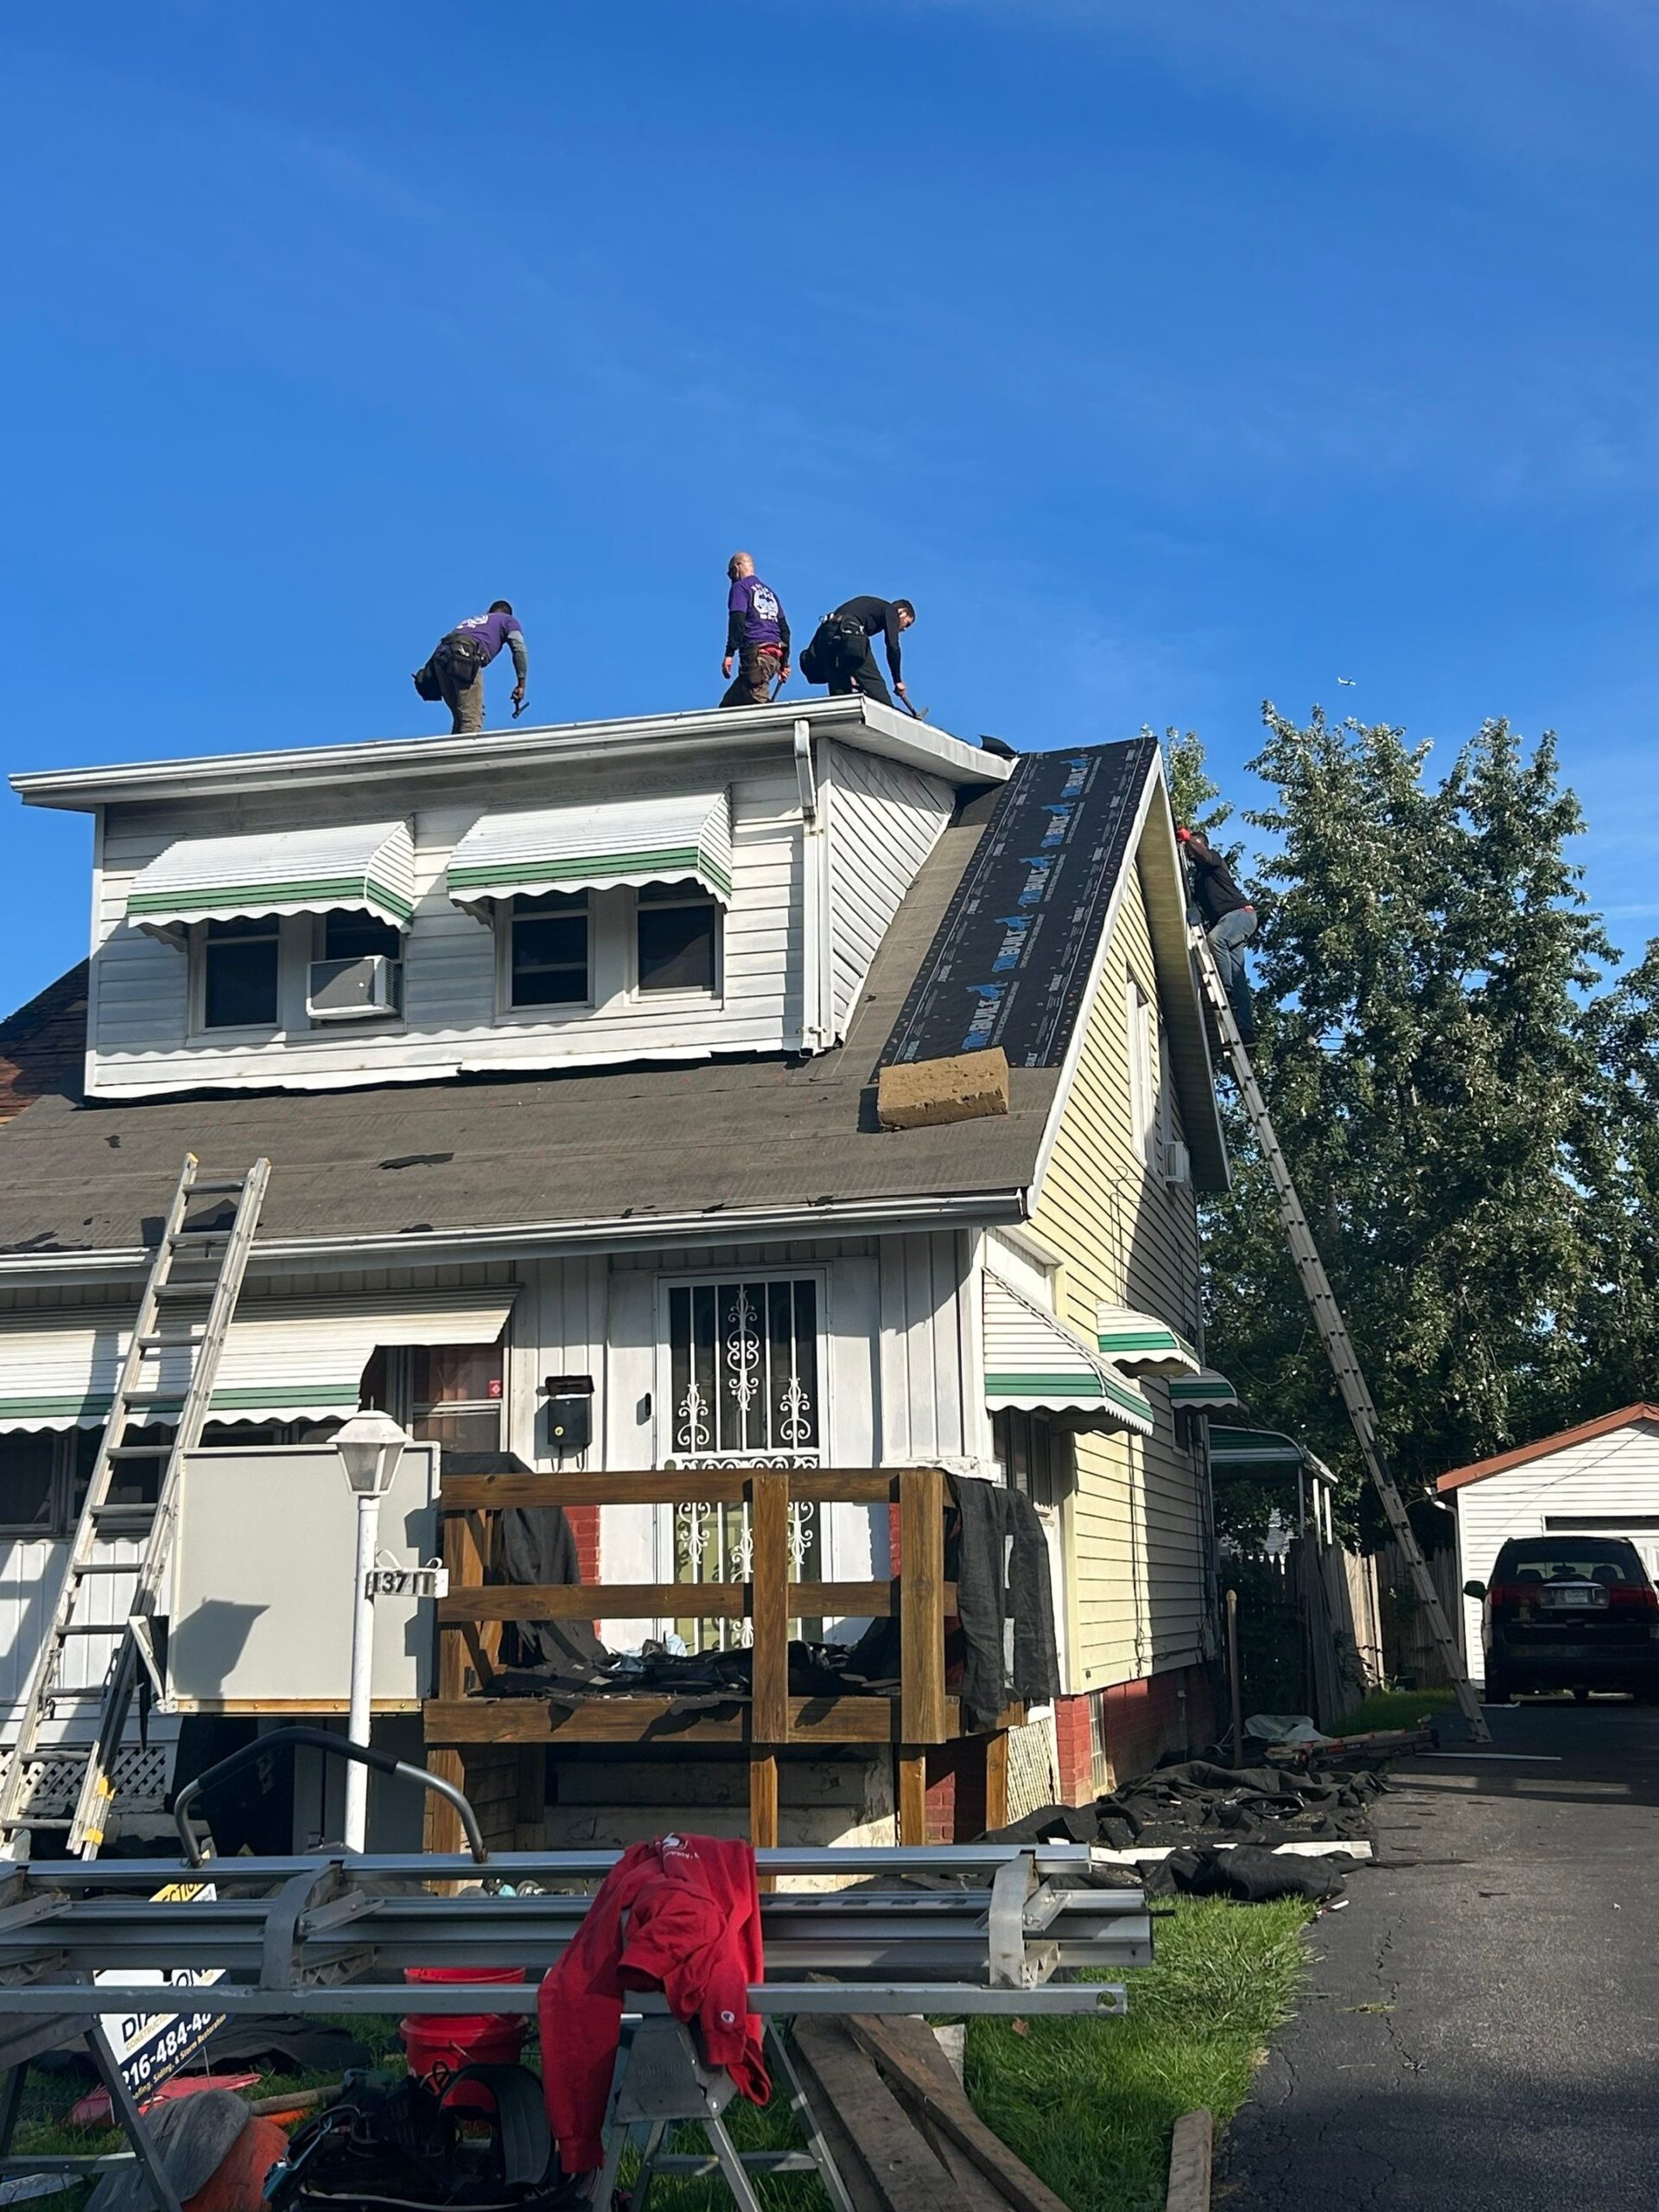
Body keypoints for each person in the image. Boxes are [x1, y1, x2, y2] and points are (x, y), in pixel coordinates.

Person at [1178, 824, 1257, 1045]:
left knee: (1215, 939)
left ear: (1203, 846)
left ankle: (1227, 991)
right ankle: (1247, 1031)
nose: (1191, 854)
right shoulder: (1199, 880)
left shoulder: (1214, 860)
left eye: (1194, 848)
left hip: (1239, 915)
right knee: (1238, 975)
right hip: (1226, 922)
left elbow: (1203, 855)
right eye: (1189, 852)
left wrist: (1187, 839)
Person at [415, 601, 528, 734]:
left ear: (489, 612)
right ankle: (467, 754)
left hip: (440, 658)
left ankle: (453, 753)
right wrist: (521, 684)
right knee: (471, 719)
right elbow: (519, 648)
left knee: (460, 717)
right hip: (464, 657)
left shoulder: (474, 621)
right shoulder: (508, 620)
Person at [800, 595, 914, 709]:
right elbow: (892, 646)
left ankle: (843, 718)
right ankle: (889, 716)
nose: (904, 629)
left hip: (827, 637)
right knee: (874, 683)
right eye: (907, 624)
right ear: (902, 612)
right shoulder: (891, 610)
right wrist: (897, 680)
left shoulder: (869, 608)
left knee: (841, 694)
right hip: (849, 633)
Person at [720, 552, 791, 707]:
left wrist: (729, 653)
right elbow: (785, 631)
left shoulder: (740, 588)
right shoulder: (771, 594)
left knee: (759, 706)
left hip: (756, 658)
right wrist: (784, 663)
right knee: (728, 706)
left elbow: (737, 620)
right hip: (773, 658)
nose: (731, 579)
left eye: (730, 574)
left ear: (737, 568)